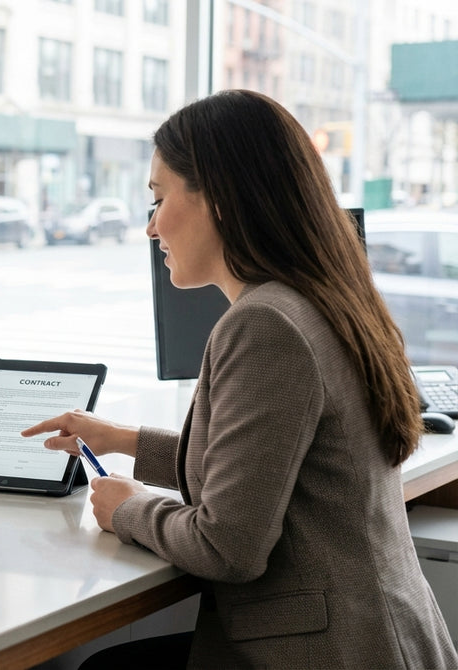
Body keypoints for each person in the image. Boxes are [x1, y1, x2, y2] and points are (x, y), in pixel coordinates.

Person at [23, 90, 458, 668]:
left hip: (330, 651)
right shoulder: (320, 299)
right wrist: (125, 441)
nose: (151, 227)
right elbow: (263, 467)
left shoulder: (264, 324)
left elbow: (228, 547)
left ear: (220, 200)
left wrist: (127, 507)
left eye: (158, 198)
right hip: (377, 634)